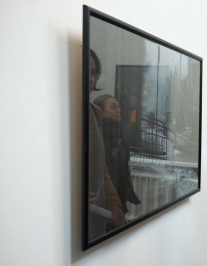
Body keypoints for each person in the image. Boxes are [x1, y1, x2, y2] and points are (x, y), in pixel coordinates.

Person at [88, 49, 125, 241]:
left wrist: (114, 203)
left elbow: (101, 167)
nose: (91, 78)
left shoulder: (95, 113)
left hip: (96, 214)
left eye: (94, 73)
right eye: (87, 71)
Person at [93, 94, 141, 216]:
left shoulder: (119, 135)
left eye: (118, 107)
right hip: (104, 200)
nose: (119, 110)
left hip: (118, 195)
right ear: (101, 112)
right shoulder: (99, 136)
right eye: (113, 107)